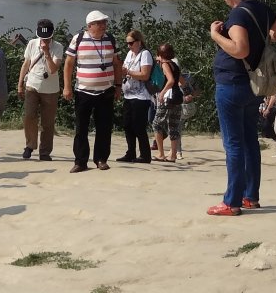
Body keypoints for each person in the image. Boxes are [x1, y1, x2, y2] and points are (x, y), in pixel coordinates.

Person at [207, 0, 276, 215]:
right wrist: (266, 37)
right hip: (253, 85)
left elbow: (239, 49)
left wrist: (215, 35)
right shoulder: (261, 9)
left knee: (233, 144)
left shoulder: (237, 15)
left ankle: (231, 202)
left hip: (232, 83)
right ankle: (250, 196)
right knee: (249, 142)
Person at [64, 10, 123, 172]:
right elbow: (69, 64)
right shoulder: (78, 39)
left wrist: (118, 86)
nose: (104, 26)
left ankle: (101, 159)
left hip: (106, 91)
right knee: (81, 128)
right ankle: (80, 161)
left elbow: (117, 64)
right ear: (90, 25)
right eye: (100, 23)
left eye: (104, 22)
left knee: (104, 127)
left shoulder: (111, 39)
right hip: (83, 91)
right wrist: (67, 86)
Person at [19, 18, 63, 160]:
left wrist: (47, 53)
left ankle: (45, 152)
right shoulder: (32, 43)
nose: (45, 40)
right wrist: (20, 84)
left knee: (47, 122)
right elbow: (26, 63)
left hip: (50, 90)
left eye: (47, 38)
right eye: (42, 37)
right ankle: (30, 145)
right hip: (32, 85)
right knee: (29, 116)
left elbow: (53, 69)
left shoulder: (58, 47)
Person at [118, 29, 155, 163]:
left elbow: (145, 75)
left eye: (131, 43)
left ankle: (145, 155)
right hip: (128, 94)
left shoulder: (145, 54)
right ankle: (131, 152)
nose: (129, 46)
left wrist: (128, 72)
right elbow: (124, 69)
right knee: (127, 125)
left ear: (139, 42)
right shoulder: (129, 54)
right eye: (127, 43)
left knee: (138, 126)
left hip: (141, 96)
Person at [153, 43, 185, 162]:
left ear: (160, 54)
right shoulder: (174, 64)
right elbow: (182, 81)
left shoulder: (165, 64)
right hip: (177, 97)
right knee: (174, 126)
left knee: (156, 124)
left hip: (168, 97)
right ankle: (173, 155)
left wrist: (162, 93)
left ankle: (161, 153)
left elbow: (170, 80)